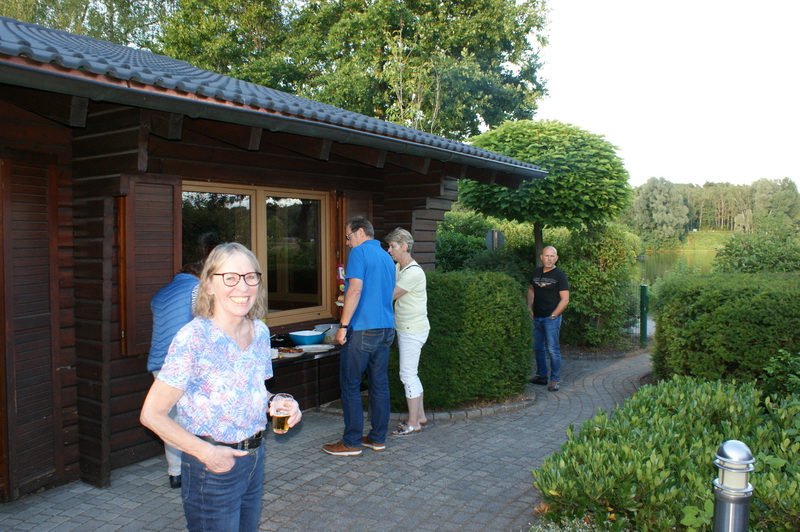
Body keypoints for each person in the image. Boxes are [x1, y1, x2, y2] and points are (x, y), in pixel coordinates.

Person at [140, 243, 301, 531]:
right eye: (230, 277)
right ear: (209, 285)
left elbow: (254, 389)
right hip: (211, 469)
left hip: (254, 458)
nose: (243, 286)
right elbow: (152, 415)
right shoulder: (194, 338)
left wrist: (275, 401)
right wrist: (207, 454)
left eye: (250, 276)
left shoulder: (259, 331)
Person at [323, 217, 396, 456]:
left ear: (361, 232)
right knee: (379, 384)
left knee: (350, 385)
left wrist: (343, 326)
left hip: (363, 328)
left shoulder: (359, 253)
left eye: (348, 237)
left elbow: (354, 290)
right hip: (387, 328)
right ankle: (377, 438)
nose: (347, 242)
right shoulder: (386, 256)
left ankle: (351, 442)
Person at [147, 261, 203, 488]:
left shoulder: (160, 294)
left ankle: (175, 473)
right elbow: (206, 320)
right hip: (184, 363)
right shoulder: (197, 288)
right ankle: (197, 468)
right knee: (194, 417)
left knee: (169, 420)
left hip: (160, 364)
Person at [385, 227, 430, 436]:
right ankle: (420, 416)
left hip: (412, 330)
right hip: (406, 328)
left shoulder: (414, 272)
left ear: (404, 246)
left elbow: (391, 294)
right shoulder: (398, 268)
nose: (389, 250)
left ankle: (413, 423)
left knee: (408, 374)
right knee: (412, 374)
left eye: (392, 246)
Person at [527, 246, 570, 392]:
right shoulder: (536, 272)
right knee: (538, 348)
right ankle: (542, 376)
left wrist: (553, 315)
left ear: (556, 258)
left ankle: (554, 381)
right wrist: (529, 307)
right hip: (536, 318)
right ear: (541, 257)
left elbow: (565, 299)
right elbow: (531, 289)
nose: (549, 259)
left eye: (552, 256)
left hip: (551, 319)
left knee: (553, 349)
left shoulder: (560, 276)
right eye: (547, 256)